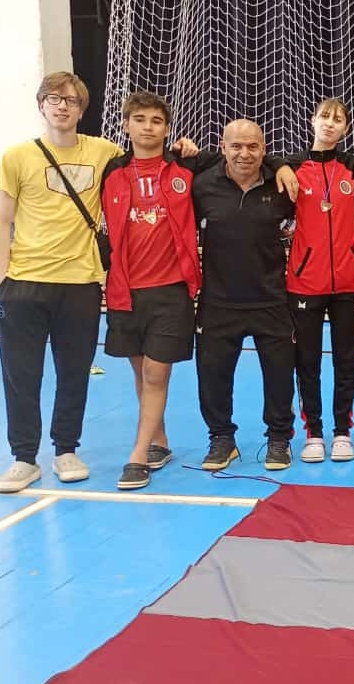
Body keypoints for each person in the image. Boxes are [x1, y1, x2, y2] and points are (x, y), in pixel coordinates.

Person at [0, 72, 192, 494]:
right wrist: (3, 278)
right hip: (25, 280)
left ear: (82, 109)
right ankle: (24, 457)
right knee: (21, 374)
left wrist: (184, 149)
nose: (62, 106)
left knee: (74, 372)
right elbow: (3, 219)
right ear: (41, 104)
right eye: (54, 99)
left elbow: (151, 156)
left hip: (82, 282)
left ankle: (66, 449)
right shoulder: (16, 156)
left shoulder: (104, 154)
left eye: (71, 100)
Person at [99, 91, 201, 490]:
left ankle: (138, 455)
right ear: (126, 125)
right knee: (142, 372)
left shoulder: (186, 169)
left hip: (171, 291)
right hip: (125, 290)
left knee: (157, 373)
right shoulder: (111, 172)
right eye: (139, 119)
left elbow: (241, 156)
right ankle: (160, 441)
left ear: (167, 129)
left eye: (156, 121)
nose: (147, 127)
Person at [192, 119, 297, 471]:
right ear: (223, 147)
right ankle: (221, 438)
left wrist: (281, 165)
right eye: (236, 146)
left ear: (264, 150)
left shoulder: (281, 184)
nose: (244, 154)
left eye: (253, 146)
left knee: (280, 375)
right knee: (212, 375)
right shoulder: (203, 185)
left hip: (271, 298)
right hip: (218, 301)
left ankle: (279, 438)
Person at [287, 98, 354, 464]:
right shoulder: (292, 167)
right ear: (312, 121)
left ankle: (342, 431)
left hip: (350, 281)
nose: (330, 124)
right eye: (324, 117)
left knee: (347, 360)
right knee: (308, 361)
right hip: (305, 282)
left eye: (338, 119)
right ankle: (314, 432)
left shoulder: (353, 168)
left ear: (346, 128)